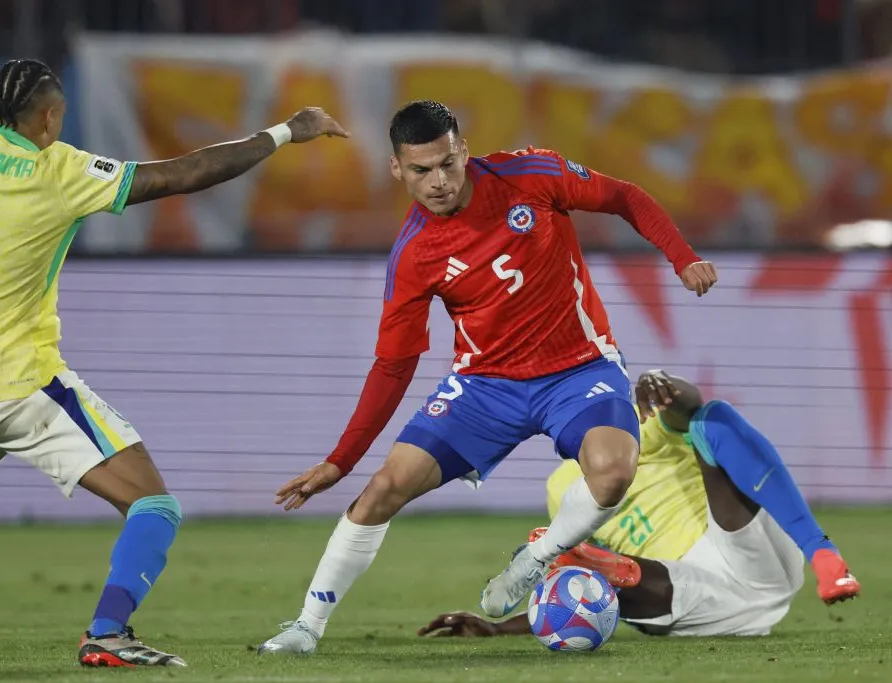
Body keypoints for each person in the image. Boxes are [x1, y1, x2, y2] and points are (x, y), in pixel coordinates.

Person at [0, 58, 348, 668]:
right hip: (27, 390)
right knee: (155, 507)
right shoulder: (57, 169)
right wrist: (285, 132)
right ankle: (107, 633)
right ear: (48, 117)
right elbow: (183, 174)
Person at [257, 100, 717, 655]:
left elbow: (623, 196)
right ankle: (306, 627)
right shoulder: (413, 255)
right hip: (484, 386)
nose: (439, 181)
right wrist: (341, 460)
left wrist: (681, 256)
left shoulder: (529, 175)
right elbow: (394, 365)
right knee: (382, 489)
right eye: (421, 170)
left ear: (464, 150)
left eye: (447, 163)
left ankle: (540, 557)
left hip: (578, 370)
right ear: (397, 170)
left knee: (614, 473)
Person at [418, 369, 860, 639]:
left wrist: (663, 384)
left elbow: (686, 405)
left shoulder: (635, 423)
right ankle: (605, 567)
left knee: (710, 420)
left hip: (744, 549)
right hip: (691, 599)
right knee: (575, 571)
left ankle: (821, 552)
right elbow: (574, 597)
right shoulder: (561, 490)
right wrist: (495, 629)